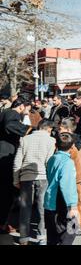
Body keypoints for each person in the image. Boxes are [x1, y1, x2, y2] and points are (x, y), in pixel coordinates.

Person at [13, 119, 56, 245]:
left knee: (25, 208)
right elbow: (49, 163)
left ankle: (23, 238)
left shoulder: (25, 139)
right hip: (43, 178)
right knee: (42, 208)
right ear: (48, 128)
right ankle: (42, 236)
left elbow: (17, 162)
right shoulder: (51, 141)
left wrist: (16, 179)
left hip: (25, 178)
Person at [0, 98, 32, 233]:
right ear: (21, 106)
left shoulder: (4, 112)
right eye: (27, 110)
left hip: (4, 153)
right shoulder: (12, 113)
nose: (28, 113)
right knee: (6, 191)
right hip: (6, 156)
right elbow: (10, 126)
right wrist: (28, 129)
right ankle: (2, 223)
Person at [44, 133, 79, 245]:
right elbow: (67, 185)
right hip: (62, 203)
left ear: (55, 145)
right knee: (72, 228)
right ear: (72, 146)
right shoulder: (68, 163)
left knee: (53, 235)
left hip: (50, 201)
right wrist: (72, 206)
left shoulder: (51, 159)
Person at [59, 118, 81, 234]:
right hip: (77, 177)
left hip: (72, 177)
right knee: (76, 202)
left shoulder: (70, 144)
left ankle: (75, 227)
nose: (58, 130)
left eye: (60, 128)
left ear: (68, 129)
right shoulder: (77, 142)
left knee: (73, 203)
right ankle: (79, 226)